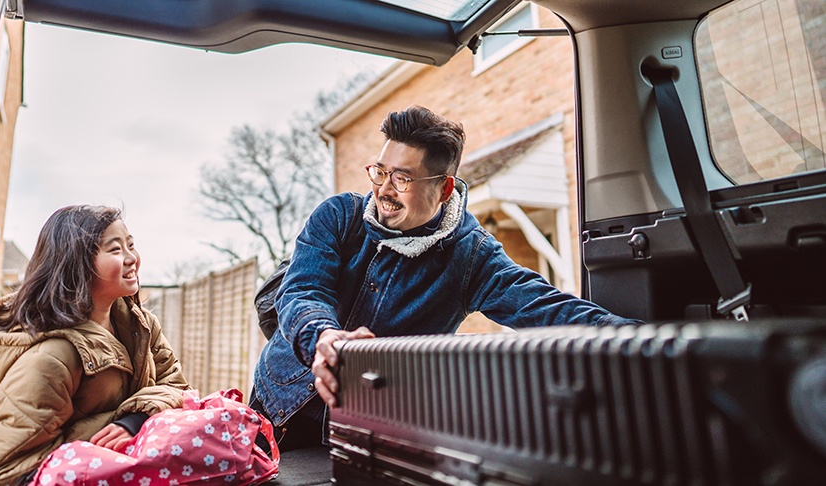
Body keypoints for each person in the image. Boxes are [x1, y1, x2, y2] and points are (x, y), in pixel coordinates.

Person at [249, 105, 639, 451]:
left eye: (402, 179)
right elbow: (302, 290)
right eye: (380, 172)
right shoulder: (337, 217)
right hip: (279, 405)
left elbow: (545, 307)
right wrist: (324, 336)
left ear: (443, 188)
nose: (384, 190)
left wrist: (638, 340)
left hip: (369, 430)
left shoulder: (472, 257)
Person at [0, 205, 190, 486]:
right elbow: (7, 471)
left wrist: (134, 421)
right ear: (78, 263)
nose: (132, 258)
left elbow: (179, 390)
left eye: (131, 245)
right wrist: (107, 444)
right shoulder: (52, 357)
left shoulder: (141, 325)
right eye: (115, 250)